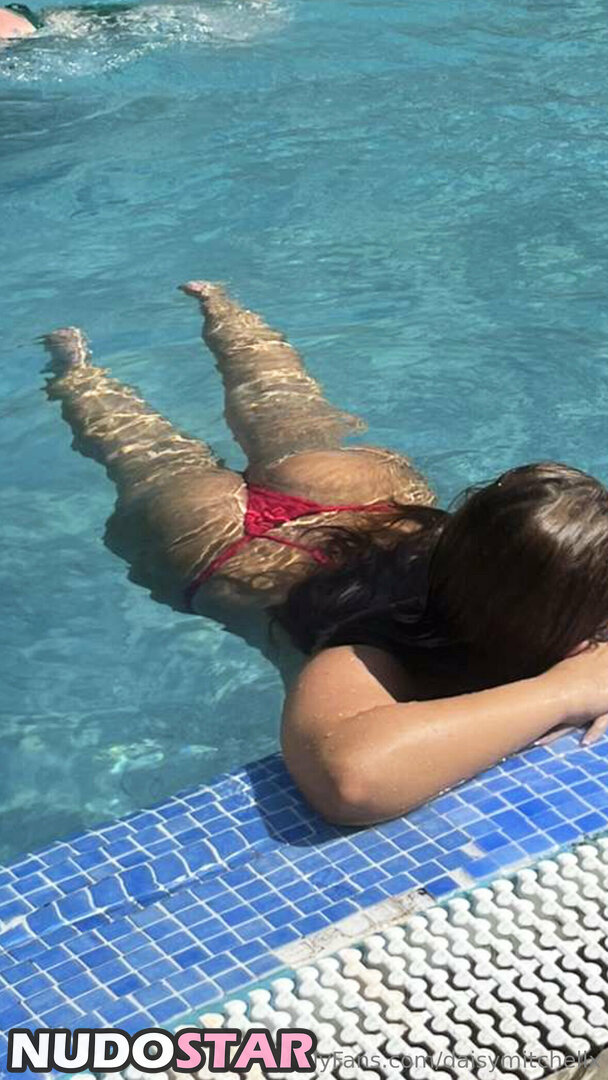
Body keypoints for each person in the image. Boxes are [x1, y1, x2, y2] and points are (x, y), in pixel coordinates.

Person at [43, 282, 608, 826]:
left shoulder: (478, 572)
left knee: (279, 407)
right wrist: (563, 691)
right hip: (225, 546)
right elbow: (347, 780)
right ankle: (82, 368)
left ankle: (196, 311)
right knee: (145, 455)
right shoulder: (367, 650)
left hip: (362, 501)